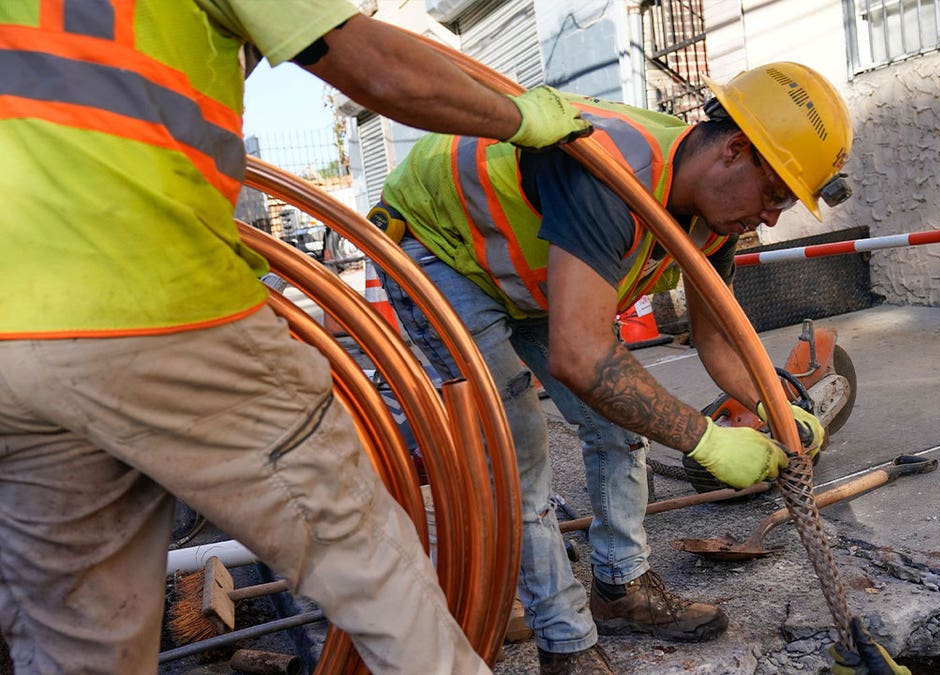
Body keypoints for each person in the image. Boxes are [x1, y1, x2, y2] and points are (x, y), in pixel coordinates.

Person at [0, 1, 591, 673]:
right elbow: (381, 69)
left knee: (79, 635)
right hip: (159, 302)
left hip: (9, 346)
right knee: (360, 555)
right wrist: (520, 116)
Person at [368, 62, 853, 673]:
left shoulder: (716, 215)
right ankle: (565, 643)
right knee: (519, 448)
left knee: (621, 426)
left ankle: (619, 588)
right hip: (442, 250)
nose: (773, 218)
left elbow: (718, 340)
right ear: (734, 150)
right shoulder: (611, 175)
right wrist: (705, 441)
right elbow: (580, 355)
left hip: (531, 275)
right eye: (776, 194)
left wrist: (778, 410)